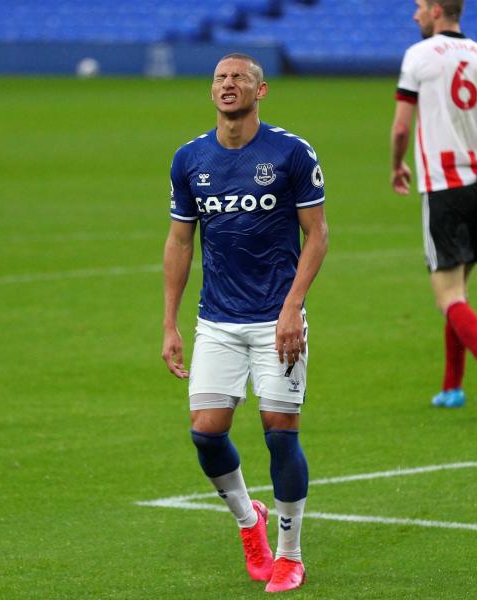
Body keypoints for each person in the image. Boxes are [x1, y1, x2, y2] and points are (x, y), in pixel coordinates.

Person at [162, 53, 328, 592]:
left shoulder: (291, 153)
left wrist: (292, 308)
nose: (227, 85)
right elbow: (180, 240)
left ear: (263, 90)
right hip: (218, 320)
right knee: (206, 435)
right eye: (219, 78)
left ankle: (290, 554)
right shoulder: (189, 160)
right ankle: (248, 521)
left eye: (239, 78)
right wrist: (170, 322)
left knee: (280, 435)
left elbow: (317, 235)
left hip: (277, 318)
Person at [390, 0, 477, 418]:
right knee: (460, 292)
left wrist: (397, 163)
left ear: (436, 10)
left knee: (447, 295)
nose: (415, 15)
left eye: (419, 7)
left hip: (444, 188)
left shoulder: (419, 55)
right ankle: (452, 387)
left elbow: (401, 125)